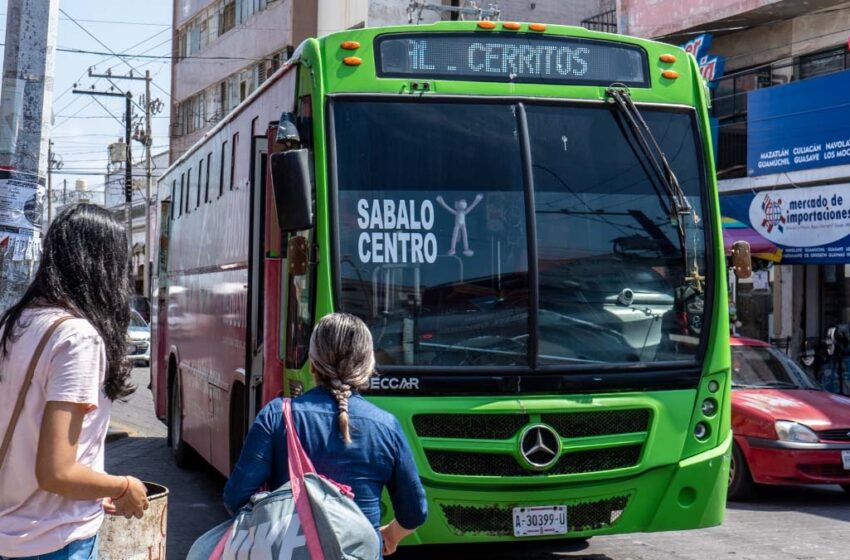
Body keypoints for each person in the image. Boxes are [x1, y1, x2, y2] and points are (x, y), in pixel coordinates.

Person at [0, 204, 149, 560]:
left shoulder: (15, 324)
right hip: (53, 541)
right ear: (104, 267)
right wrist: (123, 487)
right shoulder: (77, 338)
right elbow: (57, 471)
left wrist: (95, 490)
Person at [224, 313, 428, 556]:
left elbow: (235, 497)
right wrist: (388, 537)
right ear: (368, 365)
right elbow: (414, 512)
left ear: (312, 363)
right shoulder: (386, 426)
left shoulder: (277, 416)